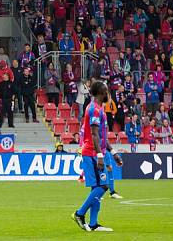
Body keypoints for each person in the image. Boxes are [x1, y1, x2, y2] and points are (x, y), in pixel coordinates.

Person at [73, 81, 123, 232]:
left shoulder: (99, 108)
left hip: (96, 152)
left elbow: (102, 136)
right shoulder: (94, 109)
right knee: (103, 186)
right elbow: (94, 135)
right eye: (106, 91)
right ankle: (79, 213)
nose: (108, 94)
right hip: (91, 153)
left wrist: (113, 153)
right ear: (101, 92)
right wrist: (100, 155)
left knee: (97, 188)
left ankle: (93, 223)